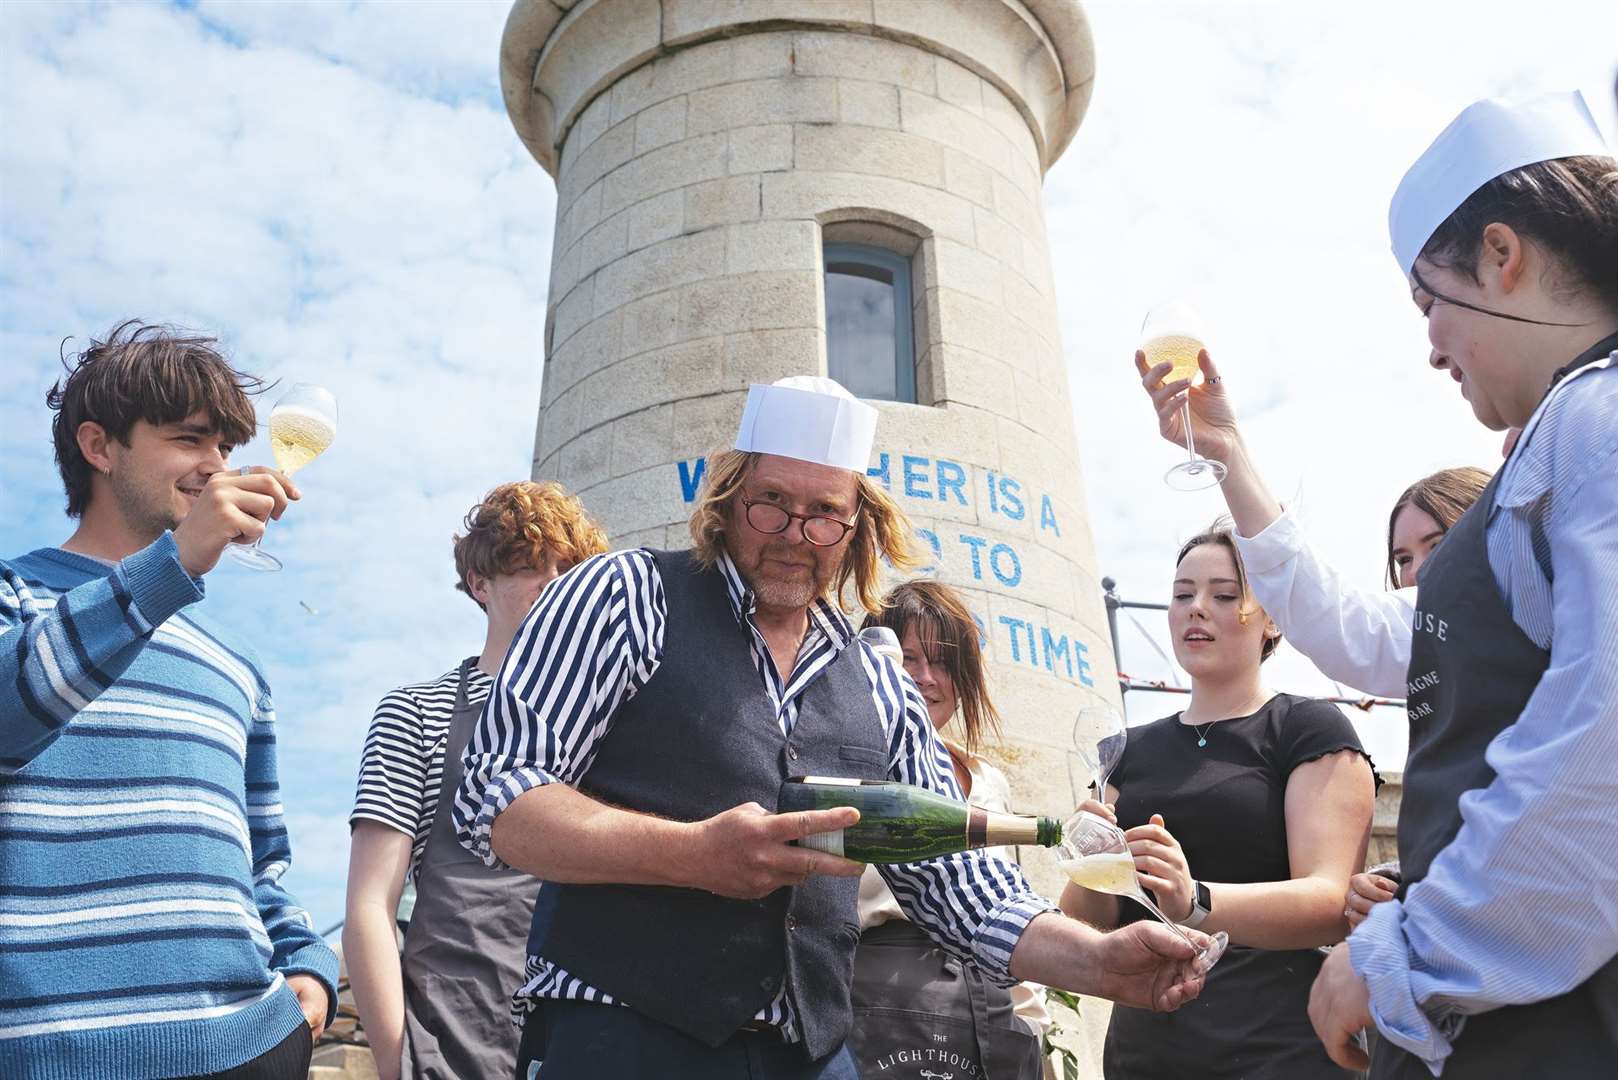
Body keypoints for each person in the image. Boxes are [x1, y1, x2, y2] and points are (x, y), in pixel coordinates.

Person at [453, 376, 1211, 1080]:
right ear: (726, 497)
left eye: (823, 513)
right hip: (618, 1035)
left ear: (856, 526)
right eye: (770, 501)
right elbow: (501, 800)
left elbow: (959, 884)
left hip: (808, 1049)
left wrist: (1098, 961)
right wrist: (691, 854)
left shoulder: (878, 678)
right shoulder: (624, 596)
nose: (794, 532)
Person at [1298, 91, 1618, 1077]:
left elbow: (1599, 743)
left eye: (1427, 300)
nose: (1431, 344)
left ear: (1498, 254)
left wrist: (1408, 951)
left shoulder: (1593, 424)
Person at [0, 322, 338, 1080]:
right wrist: (174, 564)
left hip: (251, 1048)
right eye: (189, 440)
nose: (216, 468)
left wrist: (310, 970)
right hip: (49, 1059)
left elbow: (264, 865)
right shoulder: (11, 596)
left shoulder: (237, 666)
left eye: (224, 448)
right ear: (99, 447)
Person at [1061, 523, 1379, 1079]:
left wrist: (1196, 899)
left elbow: (1332, 903)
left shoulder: (1307, 728)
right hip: (1147, 1050)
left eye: (1224, 595)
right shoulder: (1127, 749)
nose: (1196, 609)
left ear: (1273, 617)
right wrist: (1091, 860)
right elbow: (1084, 917)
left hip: (1277, 1047)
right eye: (1183, 594)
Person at [344, 482, 607, 1080]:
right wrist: (398, 1061)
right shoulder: (417, 711)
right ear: (480, 585)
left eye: (569, 568)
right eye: (527, 566)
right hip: (453, 1037)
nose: (553, 582)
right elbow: (368, 906)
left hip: (590, 1034)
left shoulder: (613, 724)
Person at [849, 580, 1049, 1080]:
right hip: (875, 1006)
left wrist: (1030, 1023)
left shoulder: (988, 781)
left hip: (989, 1011)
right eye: (908, 659)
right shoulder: (844, 770)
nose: (925, 678)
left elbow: (1007, 903)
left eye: (943, 663)